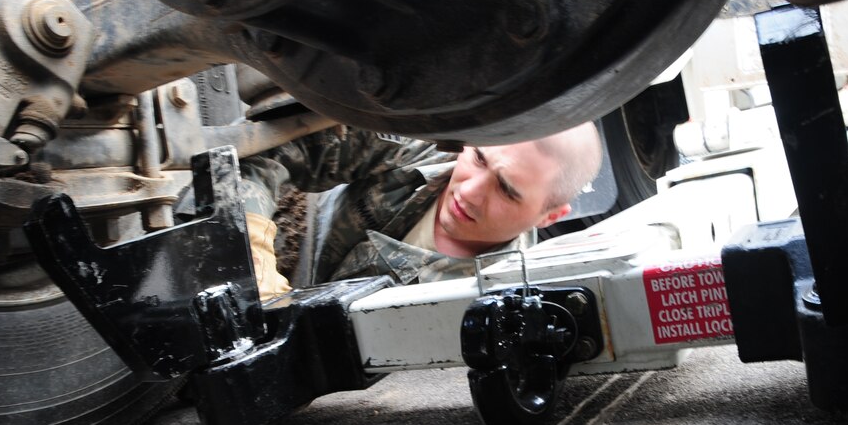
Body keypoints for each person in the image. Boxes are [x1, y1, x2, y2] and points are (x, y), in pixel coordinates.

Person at [239, 123, 603, 298]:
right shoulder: (417, 149)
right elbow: (264, 154)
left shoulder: (493, 300)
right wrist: (251, 239)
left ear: (549, 217)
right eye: (477, 157)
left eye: (506, 190)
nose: (470, 191)